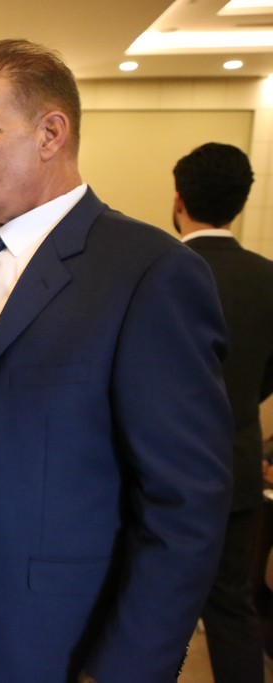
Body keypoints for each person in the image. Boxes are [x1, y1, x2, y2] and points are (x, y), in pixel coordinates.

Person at [0, 39, 233, 682]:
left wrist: (122, 671)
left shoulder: (150, 271)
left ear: (51, 134)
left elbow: (184, 506)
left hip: (63, 645)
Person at [174, 142, 273, 682]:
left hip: (164, 470)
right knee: (232, 603)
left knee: (156, 603)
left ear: (179, 199)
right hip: (237, 463)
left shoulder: (161, 269)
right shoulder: (267, 277)